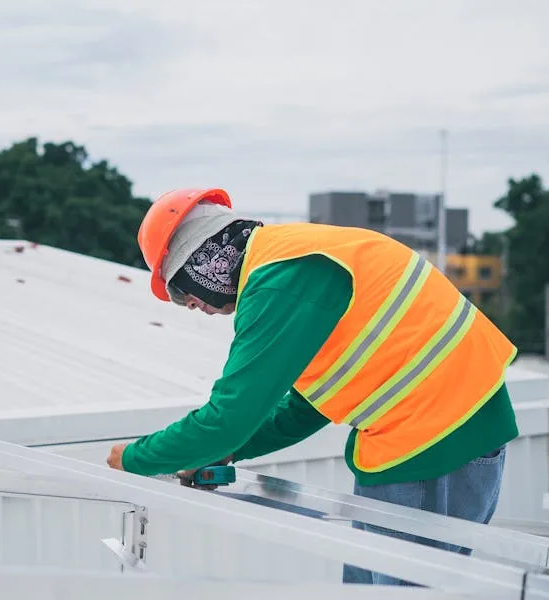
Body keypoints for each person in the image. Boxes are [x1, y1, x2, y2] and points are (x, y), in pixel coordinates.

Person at [106, 187, 518, 586]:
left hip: (429, 438)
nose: (192, 306)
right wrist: (228, 451)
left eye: (181, 291)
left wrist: (134, 459)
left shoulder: (278, 279)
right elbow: (305, 409)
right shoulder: (294, 258)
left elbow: (227, 418)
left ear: (201, 260)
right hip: (451, 432)